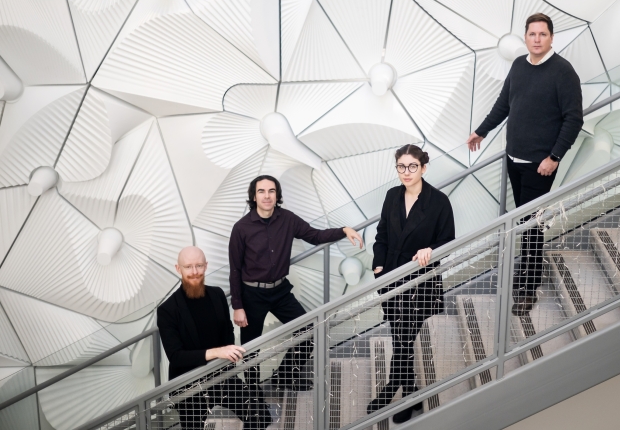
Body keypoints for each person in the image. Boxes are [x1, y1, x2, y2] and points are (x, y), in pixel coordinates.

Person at [466, 13, 583, 315]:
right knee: (524, 222)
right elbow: (504, 104)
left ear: (551, 38)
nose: (537, 39)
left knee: (531, 227)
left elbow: (574, 119)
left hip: (539, 165)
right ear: (526, 37)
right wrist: (481, 130)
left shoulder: (563, 72)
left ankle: (529, 287)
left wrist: (554, 157)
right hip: (514, 159)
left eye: (543, 34)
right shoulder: (519, 65)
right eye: (532, 34)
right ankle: (528, 270)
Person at [228, 174, 363, 390]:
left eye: (271, 191)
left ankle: (284, 376)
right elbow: (234, 269)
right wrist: (238, 306)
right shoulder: (241, 228)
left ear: (277, 195)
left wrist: (343, 230)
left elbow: (315, 235)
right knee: (251, 348)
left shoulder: (287, 219)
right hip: (252, 295)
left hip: (280, 290)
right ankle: (252, 393)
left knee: (309, 329)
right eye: (261, 191)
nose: (266, 196)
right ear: (253, 196)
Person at [367, 144, 456, 424]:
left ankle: (403, 391)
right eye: (401, 167)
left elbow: (449, 241)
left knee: (403, 340)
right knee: (400, 336)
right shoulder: (392, 195)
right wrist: (378, 265)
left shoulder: (439, 201)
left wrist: (431, 249)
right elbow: (381, 234)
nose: (406, 172)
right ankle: (407, 389)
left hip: (420, 281)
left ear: (423, 168)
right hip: (392, 276)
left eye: (412, 167)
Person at [157, 246, 271, 430]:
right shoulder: (167, 310)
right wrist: (218, 352)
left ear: (206, 266)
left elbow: (227, 333)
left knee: (261, 416)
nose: (194, 272)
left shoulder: (217, 294)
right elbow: (176, 356)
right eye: (188, 267)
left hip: (221, 376)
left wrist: (225, 357)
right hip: (189, 385)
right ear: (178, 269)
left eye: (199, 266)